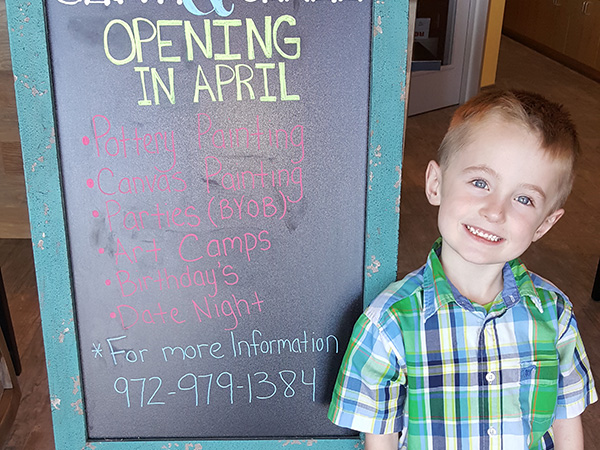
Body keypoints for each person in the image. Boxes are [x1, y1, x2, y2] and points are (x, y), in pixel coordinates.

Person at [328, 90, 597, 449]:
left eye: (524, 199)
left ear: (544, 224)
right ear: (436, 184)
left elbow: (567, 416)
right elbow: (380, 438)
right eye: (480, 183)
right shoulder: (389, 323)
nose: (495, 211)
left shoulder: (555, 314)